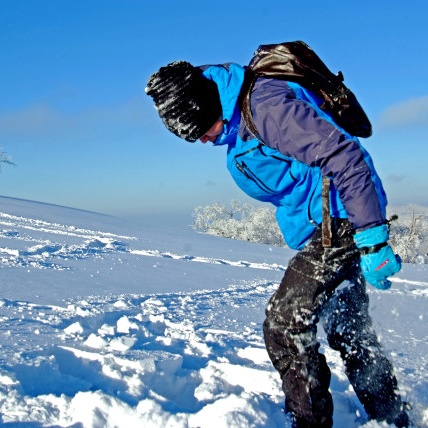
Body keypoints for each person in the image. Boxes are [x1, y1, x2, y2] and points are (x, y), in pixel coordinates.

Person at [145, 56, 409, 427]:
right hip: (331, 223)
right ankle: (394, 418)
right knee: (347, 330)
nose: (202, 140)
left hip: (340, 222)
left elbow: (344, 155)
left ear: (206, 104)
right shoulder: (240, 117)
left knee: (284, 325)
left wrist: (373, 237)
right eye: (190, 136)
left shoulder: (266, 107)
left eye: (199, 129)